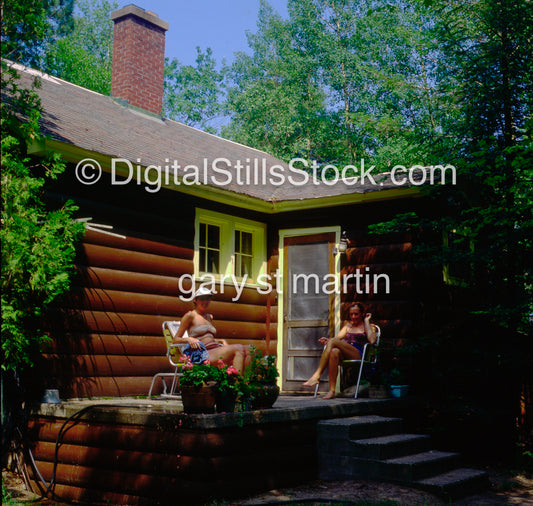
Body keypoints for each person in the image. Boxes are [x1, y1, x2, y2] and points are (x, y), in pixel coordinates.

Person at [302, 302, 377, 399]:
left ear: (362, 314)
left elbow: (372, 340)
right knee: (334, 352)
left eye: (356, 314)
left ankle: (317, 375)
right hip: (346, 352)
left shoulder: (369, 326)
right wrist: (327, 341)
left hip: (358, 353)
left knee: (333, 342)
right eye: (351, 314)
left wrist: (366, 321)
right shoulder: (348, 326)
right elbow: (336, 338)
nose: (353, 317)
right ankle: (332, 391)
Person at [173, 286, 249, 373]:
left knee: (250, 349)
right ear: (195, 300)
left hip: (215, 349)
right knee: (238, 348)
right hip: (203, 354)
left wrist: (220, 340)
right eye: (202, 299)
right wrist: (188, 339)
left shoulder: (209, 317)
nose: (205, 301)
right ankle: (238, 384)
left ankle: (245, 383)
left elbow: (206, 337)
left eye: (208, 299)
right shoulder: (190, 316)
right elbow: (175, 340)